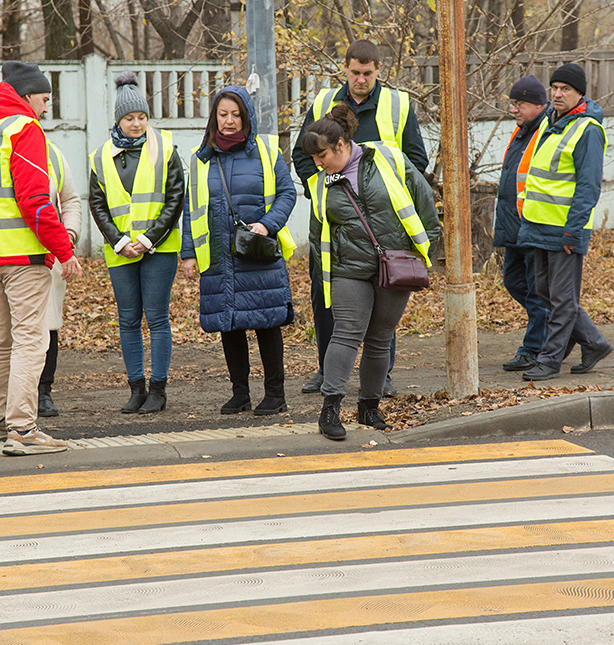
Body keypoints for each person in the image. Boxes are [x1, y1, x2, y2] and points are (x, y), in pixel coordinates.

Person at [0, 61, 82, 456]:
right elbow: (36, 201)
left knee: (3, 339)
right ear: (26, 95)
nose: (46, 108)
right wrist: (65, 250)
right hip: (23, 256)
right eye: (44, 99)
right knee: (32, 339)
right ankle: (23, 430)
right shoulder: (24, 129)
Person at [292, 39, 430, 397]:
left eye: (368, 73)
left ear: (378, 70)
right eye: (355, 72)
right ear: (345, 68)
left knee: (386, 307)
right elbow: (303, 152)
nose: (361, 79)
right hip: (335, 226)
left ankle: (381, 377)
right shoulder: (324, 102)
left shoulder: (397, 104)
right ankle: (327, 371)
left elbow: (416, 160)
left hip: (385, 229)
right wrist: (323, 192)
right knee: (327, 298)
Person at [301, 104, 441, 441]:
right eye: (314, 159)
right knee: (347, 332)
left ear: (341, 145)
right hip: (348, 269)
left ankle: (369, 407)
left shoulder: (387, 159)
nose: (318, 164)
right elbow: (316, 232)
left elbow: (423, 202)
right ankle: (330, 409)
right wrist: (323, 277)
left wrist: (425, 252)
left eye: (322, 156)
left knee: (380, 338)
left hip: (396, 263)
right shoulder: (320, 183)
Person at [181, 86, 297, 416]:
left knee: (266, 322)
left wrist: (267, 224)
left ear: (246, 116)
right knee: (229, 324)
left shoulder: (265, 151)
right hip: (219, 256)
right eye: (223, 114)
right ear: (214, 118)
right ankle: (240, 393)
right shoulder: (201, 158)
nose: (229, 121)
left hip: (257, 253)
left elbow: (288, 194)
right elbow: (192, 209)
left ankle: (276, 394)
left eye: (236, 115)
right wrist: (188, 253)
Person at [90, 73, 184, 414]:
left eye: (141, 117)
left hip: (158, 248)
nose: (137, 124)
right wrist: (118, 242)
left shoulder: (165, 148)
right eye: (130, 118)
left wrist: (145, 240)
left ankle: (158, 389)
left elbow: (175, 198)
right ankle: (136, 389)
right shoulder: (101, 156)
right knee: (128, 320)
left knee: (157, 318)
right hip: (121, 252)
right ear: (118, 120)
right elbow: (97, 204)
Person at [517, 63, 612, 381]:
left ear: (579, 93)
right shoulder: (551, 121)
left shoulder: (587, 130)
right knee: (545, 292)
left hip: (565, 228)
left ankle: (550, 358)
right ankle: (594, 342)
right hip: (540, 224)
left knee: (562, 299)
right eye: (554, 87)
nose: (557, 93)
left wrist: (574, 228)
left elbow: (588, 186)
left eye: (565, 89)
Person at [495, 76, 551, 372]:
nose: (514, 109)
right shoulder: (522, 130)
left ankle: (533, 348)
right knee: (514, 282)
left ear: (538, 105)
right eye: (513, 103)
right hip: (514, 224)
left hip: (533, 223)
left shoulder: (545, 130)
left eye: (520, 104)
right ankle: (559, 330)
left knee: (536, 289)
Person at [37, 137, 82, 417]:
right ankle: (12, 393)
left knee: (49, 324)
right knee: (8, 329)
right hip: (5, 256)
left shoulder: (51, 152)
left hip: (49, 254)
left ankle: (43, 391)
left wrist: (68, 236)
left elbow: (71, 199)